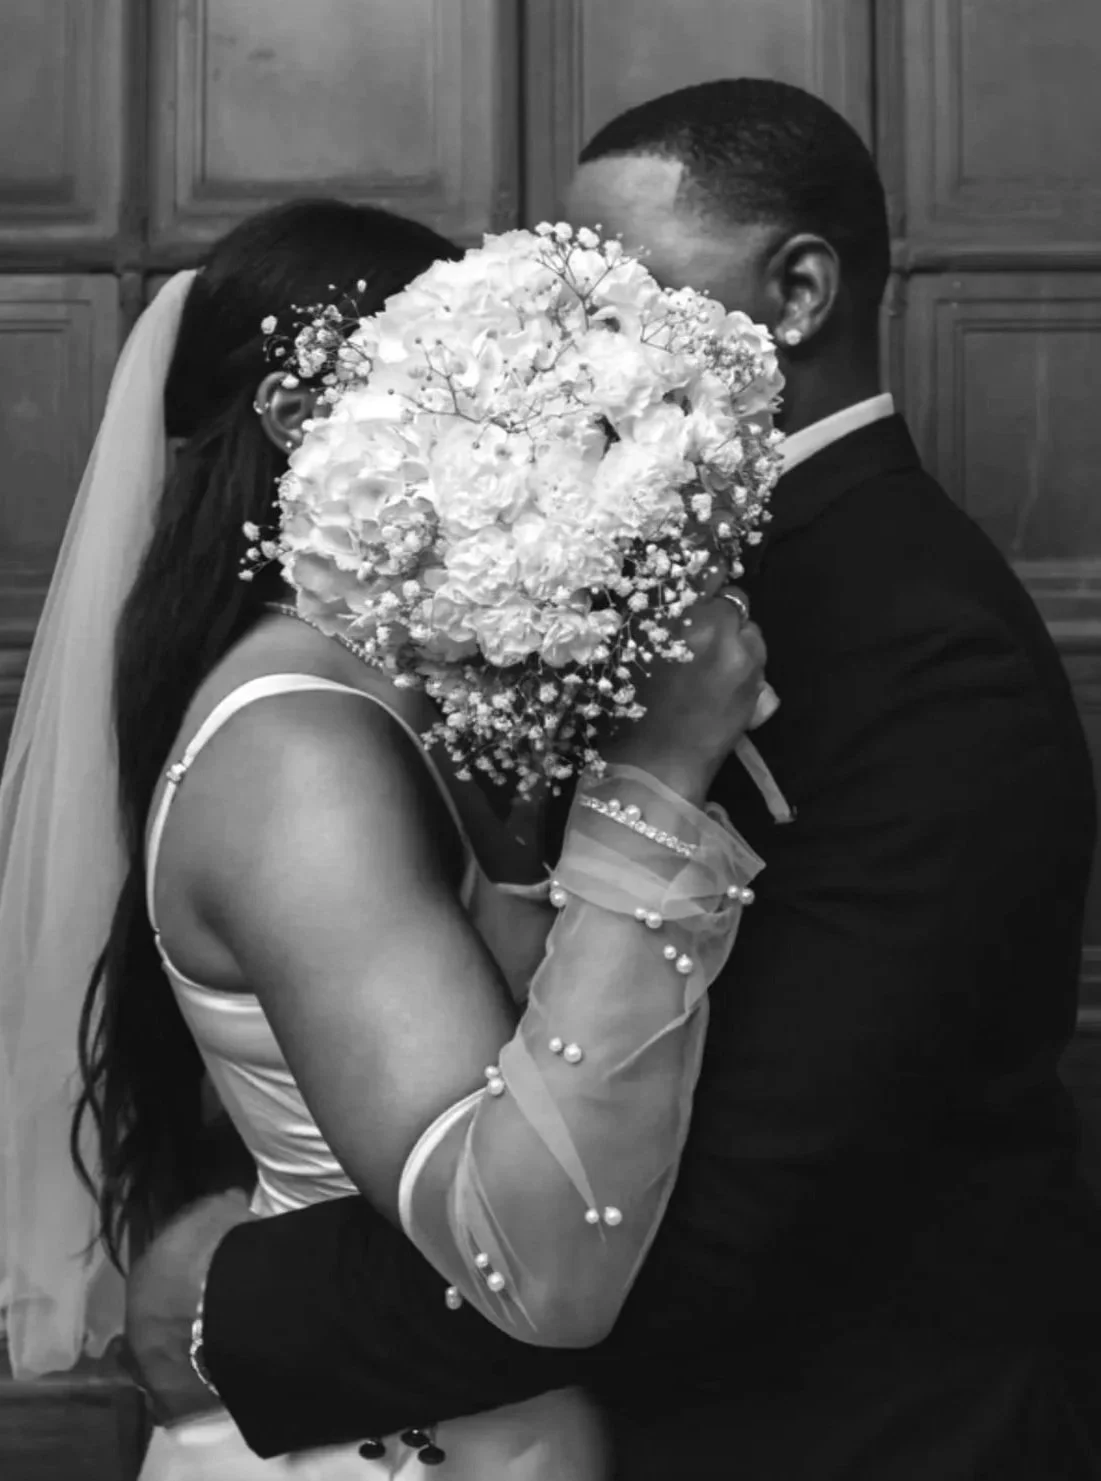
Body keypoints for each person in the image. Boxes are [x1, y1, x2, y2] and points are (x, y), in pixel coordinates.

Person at [127, 81, 1101, 1480]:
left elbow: (738, 1206)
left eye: (618, 290)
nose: (579, 345)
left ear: (799, 290)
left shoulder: (927, 654)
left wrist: (246, 1305)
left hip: (872, 1431)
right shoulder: (645, 582)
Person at [0, 195, 770, 1480]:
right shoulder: (300, 753)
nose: (523, 447)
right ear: (308, 426)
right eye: (468, 400)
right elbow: (533, 1254)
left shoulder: (399, 696)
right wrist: (660, 776)